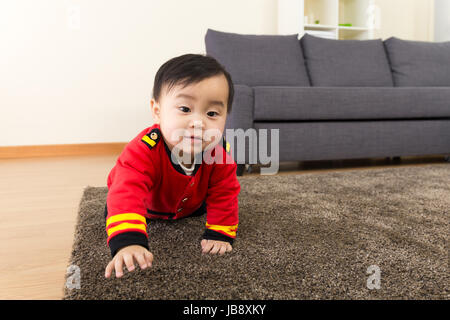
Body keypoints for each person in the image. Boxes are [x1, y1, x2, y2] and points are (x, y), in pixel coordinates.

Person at [104, 54, 240, 279]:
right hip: (147, 204)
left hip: (190, 205)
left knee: (214, 199)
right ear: (157, 111)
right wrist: (128, 242)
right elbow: (127, 189)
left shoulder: (219, 153)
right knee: (118, 201)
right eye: (185, 109)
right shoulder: (144, 150)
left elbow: (225, 191)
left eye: (212, 113)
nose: (198, 123)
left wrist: (220, 232)